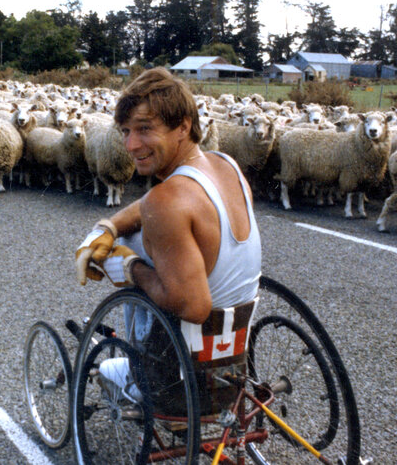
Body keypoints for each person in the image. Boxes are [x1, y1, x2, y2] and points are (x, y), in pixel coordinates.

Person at [75, 68, 261, 411]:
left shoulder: (168, 200)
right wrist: (110, 226)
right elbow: (155, 204)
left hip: (176, 383)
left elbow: (194, 307)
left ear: (183, 126)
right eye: (126, 131)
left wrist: (130, 267)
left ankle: (127, 381)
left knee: (106, 368)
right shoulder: (226, 166)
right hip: (231, 370)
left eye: (145, 129)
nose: (131, 145)